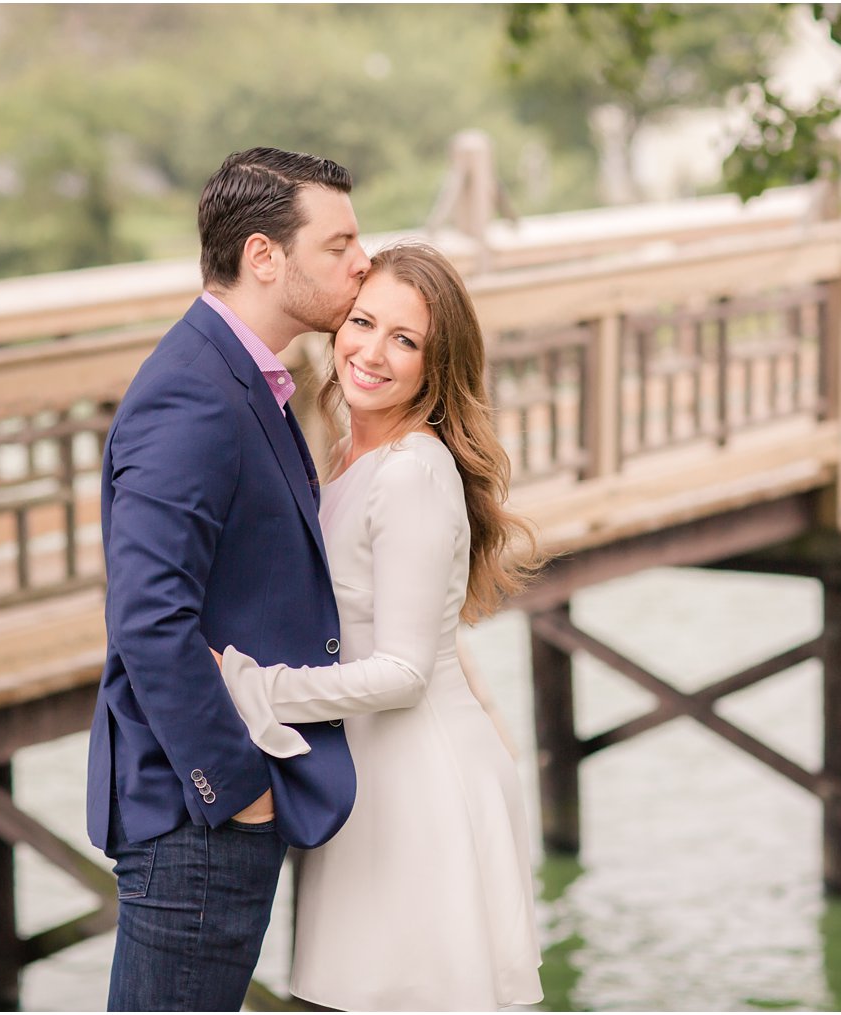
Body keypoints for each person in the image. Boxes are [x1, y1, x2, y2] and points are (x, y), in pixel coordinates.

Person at [217, 242, 546, 1011]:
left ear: (439, 365)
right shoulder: (345, 455)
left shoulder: (409, 473)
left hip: (416, 785)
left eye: (406, 339)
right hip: (371, 776)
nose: (372, 351)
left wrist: (247, 686)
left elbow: (403, 672)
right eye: (363, 322)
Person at [84, 147, 372, 1012]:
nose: (363, 261)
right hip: (194, 808)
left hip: (223, 798)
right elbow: (148, 616)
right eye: (340, 244)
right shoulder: (194, 393)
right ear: (263, 257)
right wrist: (236, 790)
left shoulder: (249, 375)